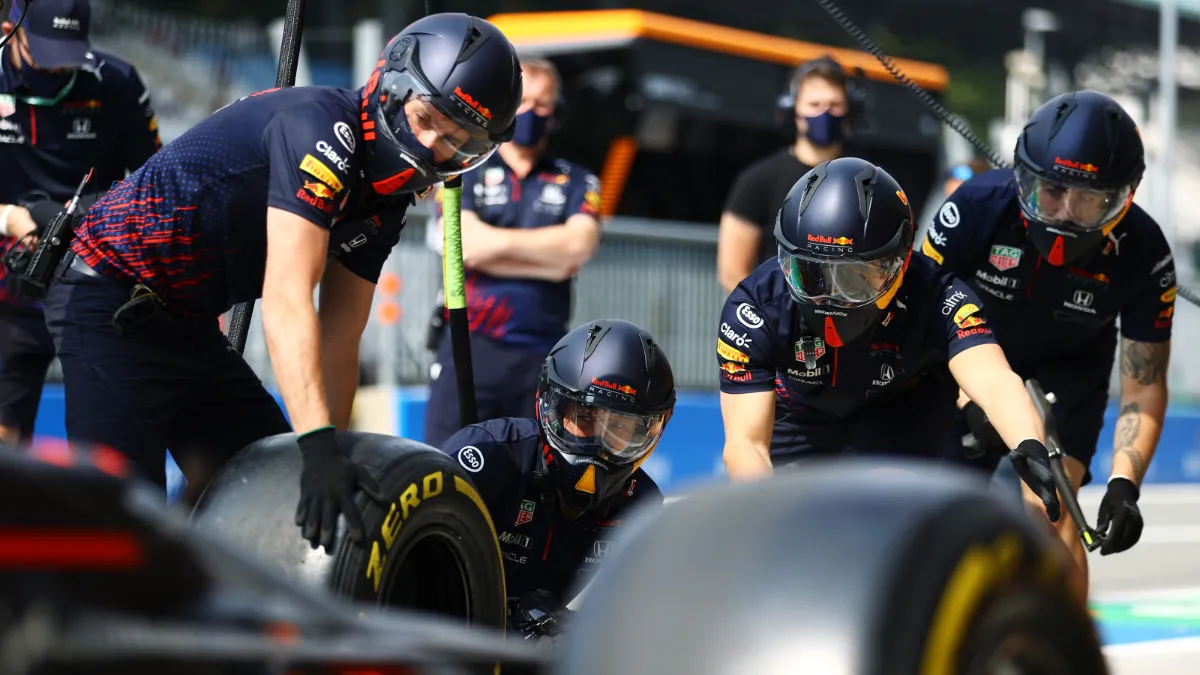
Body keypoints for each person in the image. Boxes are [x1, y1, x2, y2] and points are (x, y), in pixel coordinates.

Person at [37, 13, 523, 552]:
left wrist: (330, 455)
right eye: (425, 119)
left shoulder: (386, 200)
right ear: (390, 86)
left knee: (270, 480)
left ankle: (197, 591)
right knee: (122, 523)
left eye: (459, 146)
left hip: (184, 325)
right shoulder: (321, 128)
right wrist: (315, 448)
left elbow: (340, 336)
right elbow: (288, 297)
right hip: (107, 299)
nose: (431, 150)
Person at [921, 90, 1172, 603]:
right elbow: (917, 322)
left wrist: (1126, 482)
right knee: (934, 508)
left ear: (1126, 195)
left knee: (1049, 511)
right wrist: (971, 398)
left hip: (1069, 370)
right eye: (1049, 192)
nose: (1064, 214)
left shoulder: (1145, 252)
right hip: (965, 358)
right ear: (1021, 175)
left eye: (1091, 199)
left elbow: (1144, 383)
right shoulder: (973, 209)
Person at [717, 157, 1061, 522]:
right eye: (811, 274)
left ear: (900, 263)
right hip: (802, 414)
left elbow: (993, 379)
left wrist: (1028, 442)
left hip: (899, 411)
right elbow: (745, 444)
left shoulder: (937, 295)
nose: (831, 297)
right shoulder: (754, 307)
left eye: (855, 278)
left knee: (889, 510)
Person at [439, 318, 673, 641]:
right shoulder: (491, 458)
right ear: (552, 408)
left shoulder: (641, 506)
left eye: (620, 428)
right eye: (586, 419)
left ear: (647, 434)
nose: (598, 446)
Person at [0, 0, 161, 449]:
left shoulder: (116, 81)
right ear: (12, 30)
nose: (57, 67)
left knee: (103, 438)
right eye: (45, 49)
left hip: (94, 270)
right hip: (9, 273)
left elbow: (157, 184)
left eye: (67, 50)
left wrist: (83, 217)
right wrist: (10, 218)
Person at [424, 56, 603, 449]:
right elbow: (463, 245)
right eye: (523, 102)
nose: (532, 113)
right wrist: (546, 255)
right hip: (469, 345)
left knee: (530, 477)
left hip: (545, 355)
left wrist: (496, 245)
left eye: (542, 105)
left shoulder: (578, 179)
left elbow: (578, 248)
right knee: (444, 462)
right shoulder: (463, 167)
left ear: (556, 113)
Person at [716, 56, 853, 294]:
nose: (825, 113)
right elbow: (731, 273)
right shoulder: (758, 180)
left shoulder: (864, 179)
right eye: (815, 105)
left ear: (850, 110)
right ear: (793, 110)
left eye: (834, 105)